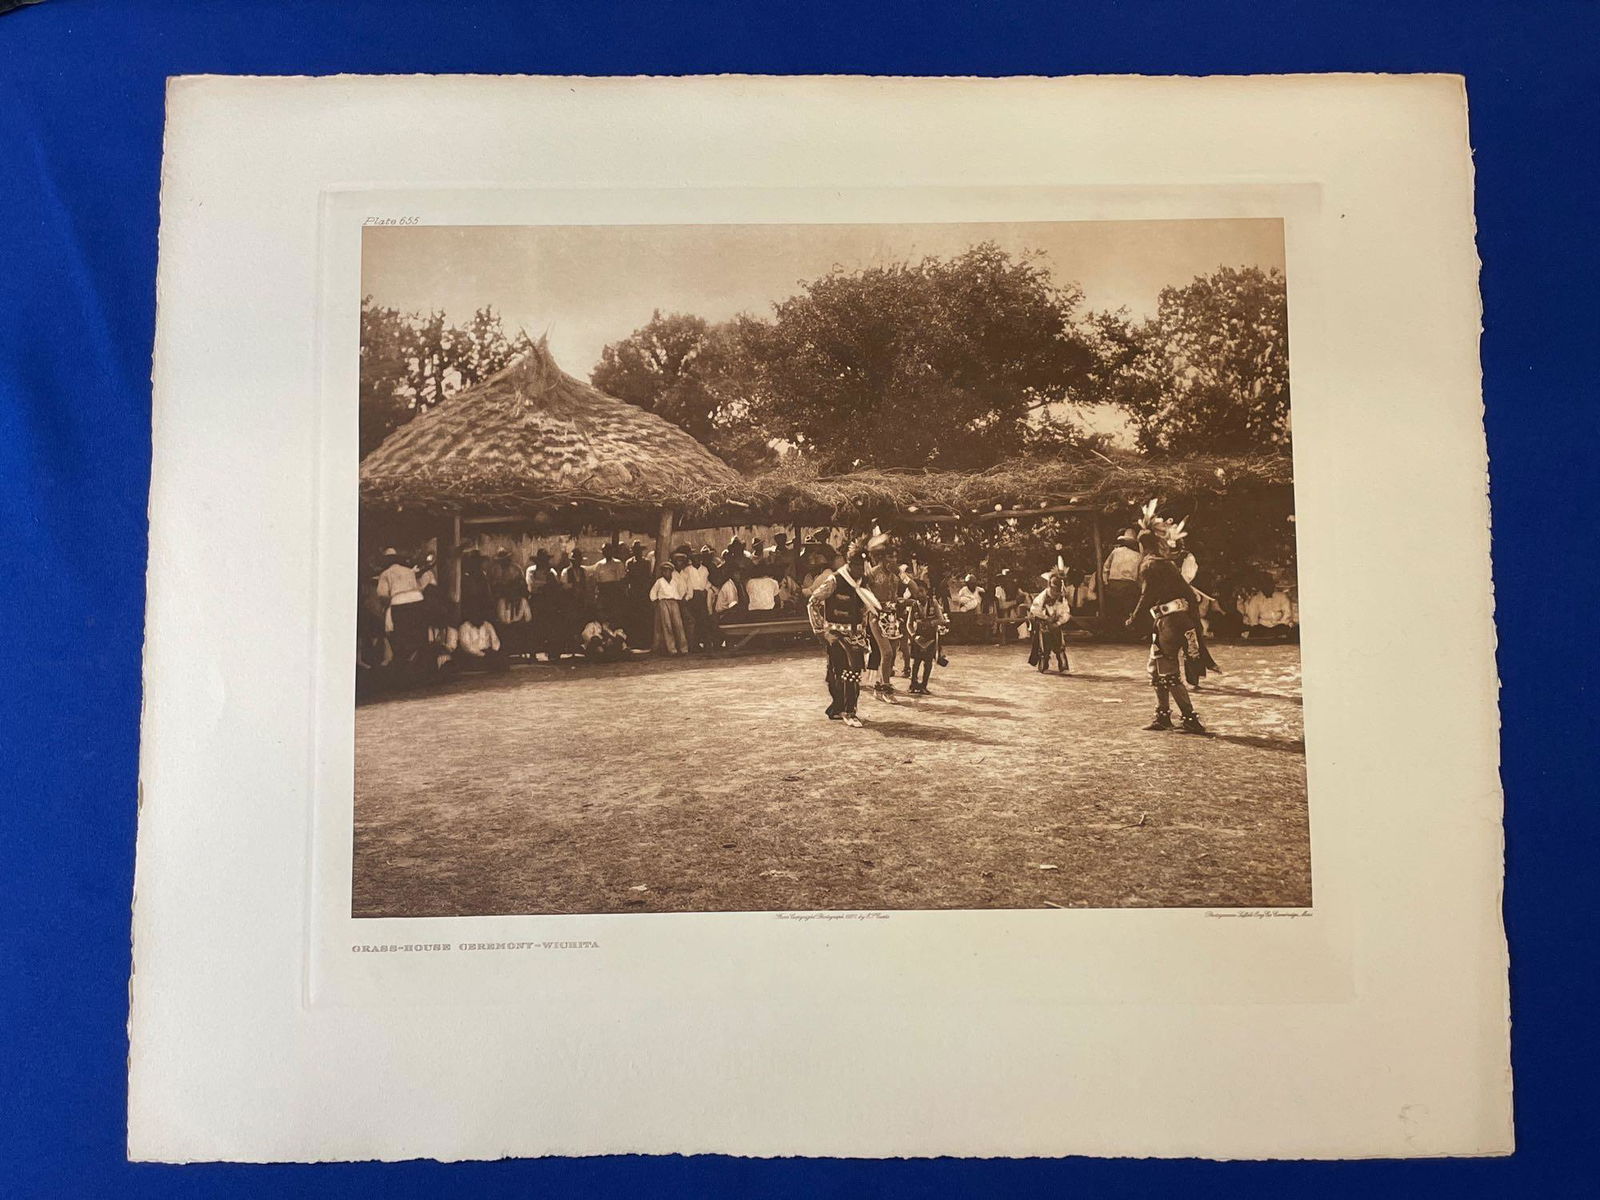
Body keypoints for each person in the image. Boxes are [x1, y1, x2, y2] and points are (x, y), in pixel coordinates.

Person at [1127, 531, 1209, 733]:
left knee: (1168, 670)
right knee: (1156, 667)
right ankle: (1163, 716)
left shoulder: (1149, 565)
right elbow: (1189, 594)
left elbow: (1148, 594)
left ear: (1140, 546)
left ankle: (1190, 718)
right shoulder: (1166, 564)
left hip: (1169, 624)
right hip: (1178, 620)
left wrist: (1134, 618)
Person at [806, 537, 882, 728]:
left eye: (862, 566)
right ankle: (841, 707)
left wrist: (865, 621)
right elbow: (813, 602)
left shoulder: (862, 580)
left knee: (853, 671)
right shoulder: (835, 580)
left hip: (856, 634)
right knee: (837, 672)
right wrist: (821, 632)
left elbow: (866, 604)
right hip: (836, 634)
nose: (859, 570)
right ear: (849, 563)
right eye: (856, 566)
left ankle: (850, 710)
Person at [375, 548, 428, 673]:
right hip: (417, 601)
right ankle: (419, 665)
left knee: (401, 636)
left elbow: (382, 595)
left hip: (400, 604)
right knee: (417, 633)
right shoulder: (408, 571)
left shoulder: (385, 574)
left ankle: (403, 667)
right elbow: (417, 587)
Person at [903, 581, 949, 695]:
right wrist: (913, 635)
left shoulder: (933, 603)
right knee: (916, 662)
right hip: (918, 636)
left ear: (926, 592)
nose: (919, 594)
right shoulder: (913, 605)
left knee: (928, 662)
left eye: (921, 591)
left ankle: (924, 685)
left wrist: (931, 623)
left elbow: (941, 619)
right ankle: (913, 684)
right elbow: (908, 623)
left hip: (930, 636)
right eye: (917, 592)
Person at [1028, 571, 1073, 674]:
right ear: (1049, 587)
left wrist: (1057, 623)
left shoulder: (1061, 598)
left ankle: (1064, 666)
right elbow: (1034, 610)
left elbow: (1066, 613)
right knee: (1044, 644)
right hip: (1042, 621)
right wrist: (1046, 618)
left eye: (1058, 591)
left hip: (1055, 622)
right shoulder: (1042, 597)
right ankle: (1044, 666)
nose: (1055, 593)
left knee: (1060, 645)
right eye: (1054, 590)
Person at [1102, 529, 1143, 636]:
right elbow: (1140, 576)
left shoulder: (1115, 552)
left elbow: (1105, 568)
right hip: (1129, 585)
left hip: (1114, 584)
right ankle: (1126, 632)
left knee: (1115, 610)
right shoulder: (1138, 556)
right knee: (1127, 610)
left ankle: (1115, 632)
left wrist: (1106, 582)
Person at [524, 548, 560, 662]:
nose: (543, 563)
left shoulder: (551, 572)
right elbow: (531, 586)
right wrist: (546, 585)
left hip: (548, 602)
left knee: (550, 627)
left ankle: (551, 652)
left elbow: (556, 586)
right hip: (536, 601)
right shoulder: (531, 571)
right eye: (541, 560)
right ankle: (532, 653)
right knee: (534, 627)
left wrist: (546, 586)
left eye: (545, 560)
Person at [1240, 574, 1296, 640]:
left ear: (1273, 585)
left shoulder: (1282, 597)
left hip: (1280, 625)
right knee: (1256, 632)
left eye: (1270, 585)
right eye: (1265, 585)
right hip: (1262, 628)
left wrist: (1280, 623)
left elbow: (1287, 614)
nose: (1268, 587)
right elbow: (1253, 618)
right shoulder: (1255, 599)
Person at [650, 561, 688, 655]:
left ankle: (683, 648)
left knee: (678, 624)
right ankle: (672, 649)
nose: (666, 573)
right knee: (667, 625)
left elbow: (681, 591)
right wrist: (656, 602)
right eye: (664, 571)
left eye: (668, 571)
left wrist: (680, 599)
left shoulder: (675, 582)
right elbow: (653, 593)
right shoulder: (659, 581)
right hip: (663, 602)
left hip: (674, 602)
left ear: (671, 572)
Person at [623, 540, 655, 650]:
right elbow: (627, 578)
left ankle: (645, 641)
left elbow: (648, 577)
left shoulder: (646, 562)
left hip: (644, 593)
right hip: (634, 593)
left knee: (645, 617)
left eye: (639, 551)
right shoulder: (629, 563)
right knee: (634, 618)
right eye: (636, 550)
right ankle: (635, 641)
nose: (638, 553)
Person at [591, 542, 628, 625]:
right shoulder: (599, 565)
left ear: (612, 551)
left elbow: (622, 581)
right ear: (602, 552)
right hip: (603, 594)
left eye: (608, 550)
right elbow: (596, 582)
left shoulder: (618, 564)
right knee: (603, 617)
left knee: (615, 618)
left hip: (615, 594)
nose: (607, 552)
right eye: (604, 550)